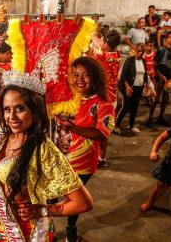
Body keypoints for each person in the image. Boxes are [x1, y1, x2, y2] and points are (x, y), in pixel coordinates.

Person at [0, 70, 93, 241]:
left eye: (20, 109)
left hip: (28, 232)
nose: (12, 117)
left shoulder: (44, 150)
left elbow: (83, 203)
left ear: (34, 110)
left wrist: (43, 210)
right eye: (6, 109)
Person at [54, 57, 115, 242]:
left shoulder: (103, 103)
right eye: (76, 75)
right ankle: (46, 228)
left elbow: (102, 135)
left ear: (95, 77)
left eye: (86, 75)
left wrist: (71, 127)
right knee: (50, 194)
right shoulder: (67, 95)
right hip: (57, 158)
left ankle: (70, 228)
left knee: (75, 200)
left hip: (82, 164)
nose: (80, 79)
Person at [140, 109, 171, 228]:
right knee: (159, 186)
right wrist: (154, 151)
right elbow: (161, 138)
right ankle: (149, 203)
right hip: (170, 164)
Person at [88, 29, 121, 167]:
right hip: (112, 97)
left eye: (103, 41)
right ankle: (102, 158)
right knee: (105, 128)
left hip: (102, 97)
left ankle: (95, 156)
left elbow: (94, 39)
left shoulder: (102, 56)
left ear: (106, 44)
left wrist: (92, 29)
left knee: (96, 128)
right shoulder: (117, 54)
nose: (100, 42)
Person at [147, 31, 171, 126]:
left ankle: (160, 117)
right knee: (156, 99)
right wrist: (161, 76)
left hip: (170, 78)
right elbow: (155, 66)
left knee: (165, 100)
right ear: (167, 38)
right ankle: (150, 118)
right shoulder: (161, 50)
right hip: (160, 78)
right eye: (170, 37)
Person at [115, 43, 148, 134]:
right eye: (138, 51)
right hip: (129, 87)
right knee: (126, 107)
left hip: (139, 87)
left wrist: (146, 84)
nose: (139, 53)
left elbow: (145, 74)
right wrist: (127, 87)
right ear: (135, 51)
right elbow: (123, 76)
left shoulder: (144, 61)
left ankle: (131, 125)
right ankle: (116, 125)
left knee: (135, 107)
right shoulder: (129, 61)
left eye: (141, 51)